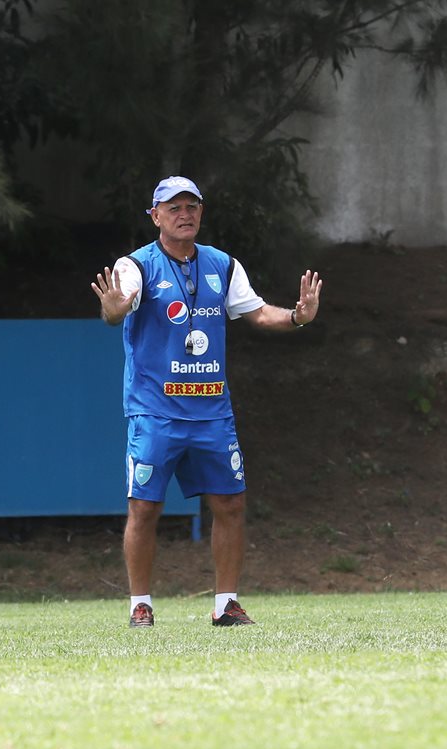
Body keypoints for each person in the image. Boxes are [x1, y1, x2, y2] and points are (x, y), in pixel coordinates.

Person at [92, 176, 322, 628]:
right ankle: (141, 604)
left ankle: (226, 605)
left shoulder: (222, 264)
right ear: (155, 216)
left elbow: (256, 312)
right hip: (155, 410)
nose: (185, 214)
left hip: (211, 410)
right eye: (173, 207)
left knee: (231, 504)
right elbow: (116, 307)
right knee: (144, 506)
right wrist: (114, 308)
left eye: (192, 206)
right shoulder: (136, 265)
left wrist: (296, 316)